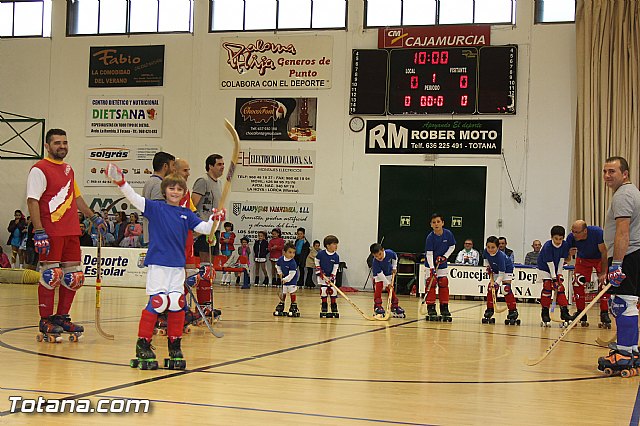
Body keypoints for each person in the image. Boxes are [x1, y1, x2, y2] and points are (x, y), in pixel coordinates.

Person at [105, 162, 219, 370]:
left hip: (177, 267)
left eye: (179, 189)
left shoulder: (186, 214)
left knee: (176, 303)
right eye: (171, 188)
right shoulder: (156, 208)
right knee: (158, 302)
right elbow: (134, 199)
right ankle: (143, 345)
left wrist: (216, 219)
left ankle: (175, 345)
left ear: (184, 192)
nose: (175, 192)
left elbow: (205, 228)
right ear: (164, 190)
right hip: (158, 264)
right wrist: (121, 182)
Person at [26, 128, 105, 341]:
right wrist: (39, 230)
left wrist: (92, 217)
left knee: (75, 277)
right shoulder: (39, 169)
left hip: (71, 230)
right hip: (51, 231)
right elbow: (32, 200)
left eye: (65, 143)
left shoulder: (69, 169)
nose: (62, 146)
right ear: (47, 146)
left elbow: (76, 197)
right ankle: (45, 319)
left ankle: (62, 317)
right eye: (57, 143)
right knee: (51, 276)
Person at [598, 156, 640, 374]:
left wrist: (616, 264)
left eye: (612, 171)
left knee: (622, 304)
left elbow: (623, 232)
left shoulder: (623, 195)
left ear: (625, 174)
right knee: (630, 303)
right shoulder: (633, 192)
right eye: (605, 171)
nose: (607, 176)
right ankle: (631, 350)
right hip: (634, 255)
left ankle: (623, 354)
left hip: (628, 254)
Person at [191, 154, 224, 314]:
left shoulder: (219, 184)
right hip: (203, 228)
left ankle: (207, 303)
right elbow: (192, 204)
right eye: (219, 164)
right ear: (210, 166)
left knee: (210, 268)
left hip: (214, 229)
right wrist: (197, 226)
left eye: (223, 164)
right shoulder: (203, 181)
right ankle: (202, 305)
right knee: (205, 267)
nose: (222, 167)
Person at [566, 220, 610, 326]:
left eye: (577, 232)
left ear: (585, 231)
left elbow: (604, 252)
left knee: (604, 283)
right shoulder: (571, 238)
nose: (574, 234)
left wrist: (603, 272)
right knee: (577, 282)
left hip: (599, 258)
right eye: (573, 231)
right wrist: (568, 254)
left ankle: (604, 312)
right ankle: (581, 311)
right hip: (583, 259)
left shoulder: (597, 232)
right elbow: (566, 259)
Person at [423, 213, 456, 322]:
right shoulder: (430, 237)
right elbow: (429, 254)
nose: (436, 224)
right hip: (430, 264)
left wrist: (445, 257)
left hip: (442, 264)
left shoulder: (448, 234)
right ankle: (431, 308)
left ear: (442, 223)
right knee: (431, 284)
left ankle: (444, 307)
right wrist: (432, 268)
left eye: (438, 221)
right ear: (431, 225)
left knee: (443, 283)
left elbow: (452, 246)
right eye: (434, 222)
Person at [537, 225, 571, 326]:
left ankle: (564, 313)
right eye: (556, 238)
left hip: (556, 268)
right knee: (547, 286)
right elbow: (550, 264)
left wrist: (559, 275)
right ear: (551, 237)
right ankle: (545, 312)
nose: (558, 241)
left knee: (560, 288)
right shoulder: (547, 246)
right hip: (544, 268)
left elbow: (561, 261)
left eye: (561, 239)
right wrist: (554, 278)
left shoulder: (565, 245)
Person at [482, 236, 519, 325]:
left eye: (493, 247)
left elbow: (502, 273)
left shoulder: (501, 256)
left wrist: (497, 283)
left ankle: (512, 311)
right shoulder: (485, 251)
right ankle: (489, 309)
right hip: (495, 269)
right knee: (491, 289)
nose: (490, 249)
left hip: (507, 270)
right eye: (488, 247)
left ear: (498, 247)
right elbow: (486, 259)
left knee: (505, 289)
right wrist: (488, 267)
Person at [142, 151, 176, 246]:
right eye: (173, 165)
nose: (174, 169)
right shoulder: (159, 184)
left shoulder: (149, 182)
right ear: (165, 166)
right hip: (158, 237)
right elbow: (159, 213)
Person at [370, 243, 404, 318]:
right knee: (378, 289)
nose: (379, 257)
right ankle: (377, 306)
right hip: (379, 275)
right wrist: (387, 283)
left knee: (391, 290)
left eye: (380, 254)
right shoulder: (375, 262)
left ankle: (394, 306)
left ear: (383, 250)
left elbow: (395, 257)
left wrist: (394, 267)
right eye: (376, 256)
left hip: (388, 272)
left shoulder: (390, 253)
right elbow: (380, 274)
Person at [315, 235, 340, 318]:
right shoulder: (321, 253)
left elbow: (336, 266)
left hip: (331, 277)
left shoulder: (336, 256)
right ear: (328, 245)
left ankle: (333, 306)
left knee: (333, 290)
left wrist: (333, 276)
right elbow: (316, 260)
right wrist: (319, 270)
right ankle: (324, 306)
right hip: (323, 276)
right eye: (334, 244)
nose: (336, 246)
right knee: (324, 290)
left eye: (336, 244)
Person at [274, 243, 300, 317]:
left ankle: (293, 305)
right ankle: (282, 303)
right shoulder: (281, 259)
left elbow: (292, 274)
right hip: (284, 279)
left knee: (292, 292)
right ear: (284, 252)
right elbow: (277, 265)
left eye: (293, 253)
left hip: (292, 280)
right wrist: (280, 272)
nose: (292, 254)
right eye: (290, 252)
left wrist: (286, 279)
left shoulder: (293, 263)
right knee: (284, 292)